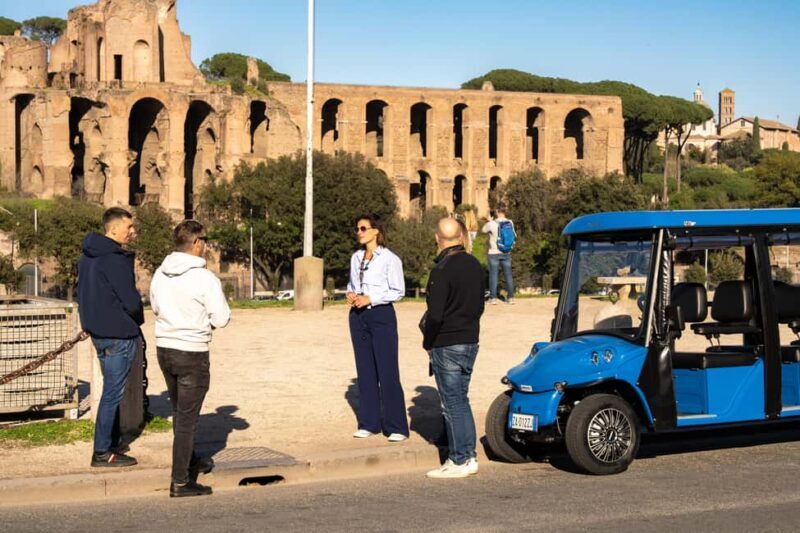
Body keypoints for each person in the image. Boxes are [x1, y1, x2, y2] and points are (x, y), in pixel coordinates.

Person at [150, 220, 231, 498]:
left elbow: (156, 306)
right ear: (196, 243)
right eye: (204, 239)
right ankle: (181, 481)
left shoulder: (160, 273)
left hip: (165, 348)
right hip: (192, 351)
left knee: (179, 412)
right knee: (187, 420)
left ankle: (191, 460)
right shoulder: (205, 278)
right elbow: (222, 318)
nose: (205, 244)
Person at [77, 207, 143, 468]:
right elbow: (130, 299)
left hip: (99, 332)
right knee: (112, 394)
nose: (132, 232)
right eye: (129, 227)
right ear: (114, 228)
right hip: (118, 333)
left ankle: (111, 442)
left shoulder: (87, 257)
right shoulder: (115, 259)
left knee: (110, 391)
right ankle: (102, 452)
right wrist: (136, 320)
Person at [423, 218, 485, 478]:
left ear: (438, 239)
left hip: (447, 341)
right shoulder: (476, 266)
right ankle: (468, 455)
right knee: (461, 399)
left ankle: (459, 459)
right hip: (470, 339)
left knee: (452, 403)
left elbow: (435, 314)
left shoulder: (441, 270)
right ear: (461, 237)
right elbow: (480, 306)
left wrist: (428, 341)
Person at [346, 214, 409, 442]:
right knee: (365, 371)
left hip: (381, 315)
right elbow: (352, 284)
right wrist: (351, 294)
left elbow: (398, 291)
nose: (359, 232)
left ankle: (397, 426)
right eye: (357, 229)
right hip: (357, 316)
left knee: (387, 371)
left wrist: (371, 298)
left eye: (363, 228)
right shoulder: (356, 258)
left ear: (375, 231)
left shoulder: (390, 259)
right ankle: (368, 423)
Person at [481, 204, 516, 304]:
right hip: (506, 252)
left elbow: (483, 230)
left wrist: (489, 221)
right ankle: (511, 298)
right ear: (505, 211)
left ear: (496, 211)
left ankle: (493, 298)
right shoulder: (510, 222)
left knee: (493, 275)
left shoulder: (492, 224)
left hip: (494, 252)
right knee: (508, 275)